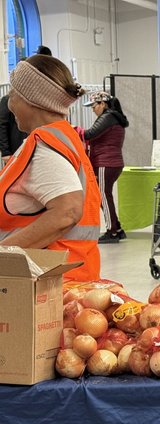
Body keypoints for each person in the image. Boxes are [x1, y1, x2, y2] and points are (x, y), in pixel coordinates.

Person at [0, 55, 101, 281]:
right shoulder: (62, 138)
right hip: (66, 277)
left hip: (49, 281)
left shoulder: (45, 146)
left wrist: (4, 254)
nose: (9, 103)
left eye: (14, 94)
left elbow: (67, 212)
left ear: (32, 100)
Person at [82, 91, 129, 243]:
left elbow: (90, 134)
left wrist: (73, 130)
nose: (93, 109)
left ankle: (112, 232)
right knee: (105, 195)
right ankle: (117, 228)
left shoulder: (107, 117)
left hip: (105, 163)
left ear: (102, 104)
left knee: (103, 196)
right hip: (112, 163)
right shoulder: (114, 118)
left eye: (94, 106)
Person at [0, 45, 58, 163]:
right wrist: (5, 152)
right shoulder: (7, 100)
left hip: (36, 147)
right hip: (16, 148)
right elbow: (2, 125)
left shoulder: (38, 99)